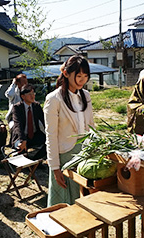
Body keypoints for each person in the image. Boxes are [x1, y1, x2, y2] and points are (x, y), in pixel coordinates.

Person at [44, 55, 94, 207]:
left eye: (85, 76)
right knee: (65, 201)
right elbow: (51, 135)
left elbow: (91, 126)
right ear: (66, 74)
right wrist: (55, 168)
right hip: (65, 156)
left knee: (83, 199)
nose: (82, 80)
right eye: (78, 76)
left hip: (84, 154)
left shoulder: (85, 95)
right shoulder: (54, 99)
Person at [11, 84, 46, 160]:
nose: (32, 96)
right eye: (29, 94)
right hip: (21, 136)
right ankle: (25, 161)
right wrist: (22, 140)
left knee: (49, 142)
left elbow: (44, 121)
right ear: (23, 96)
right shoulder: (17, 107)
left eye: (33, 93)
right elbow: (18, 124)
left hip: (34, 135)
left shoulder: (36, 106)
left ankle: (34, 160)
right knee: (20, 146)